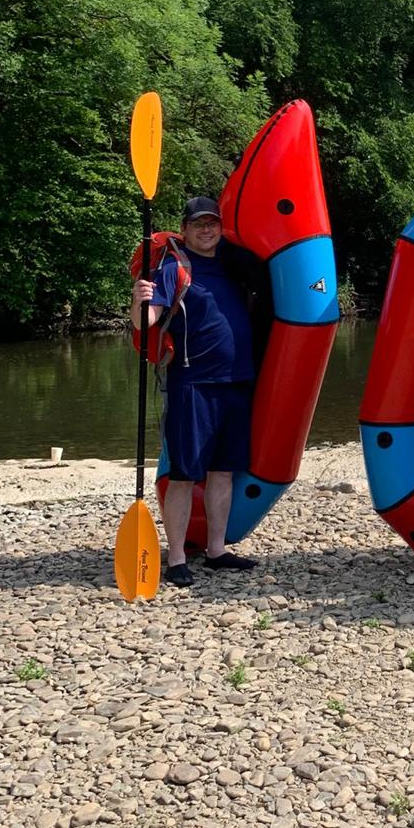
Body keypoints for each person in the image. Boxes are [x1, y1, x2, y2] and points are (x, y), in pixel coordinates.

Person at [131, 197, 265, 590]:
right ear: (185, 229)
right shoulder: (174, 269)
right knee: (185, 474)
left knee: (223, 471)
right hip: (193, 384)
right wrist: (138, 302)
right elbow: (147, 321)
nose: (206, 230)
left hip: (236, 382)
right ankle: (175, 558)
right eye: (198, 225)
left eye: (213, 224)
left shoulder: (229, 265)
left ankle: (217, 549)